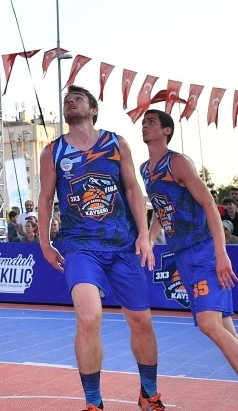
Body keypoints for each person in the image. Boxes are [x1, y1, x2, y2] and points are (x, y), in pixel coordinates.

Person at [140, 109, 238, 411]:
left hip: (202, 249)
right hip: (182, 254)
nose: (145, 126)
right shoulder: (145, 170)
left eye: (151, 122)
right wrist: (150, 240)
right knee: (227, 331)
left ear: (166, 131)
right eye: (144, 122)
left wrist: (221, 254)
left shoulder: (177, 162)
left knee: (209, 324)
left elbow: (208, 204)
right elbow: (161, 210)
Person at [37, 87, 163, 411]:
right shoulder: (53, 151)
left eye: (78, 98)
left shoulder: (116, 143)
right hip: (80, 247)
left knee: (141, 321)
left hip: (122, 245)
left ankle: (149, 394)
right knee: (89, 319)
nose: (71, 101)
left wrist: (144, 234)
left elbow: (133, 190)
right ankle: (94, 402)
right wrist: (45, 243)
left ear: (93, 109)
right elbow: (45, 199)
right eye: (67, 100)